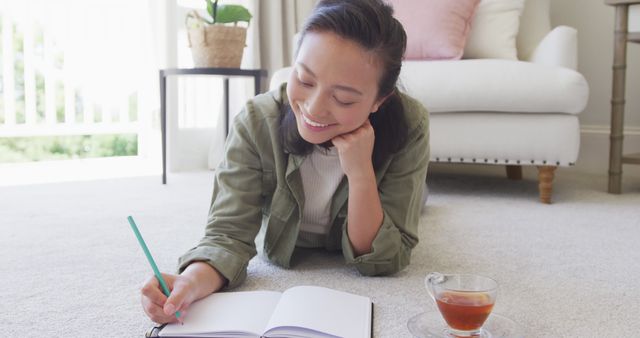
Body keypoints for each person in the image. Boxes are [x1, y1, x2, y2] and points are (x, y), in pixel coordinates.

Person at [141, 0, 429, 324]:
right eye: (305, 80)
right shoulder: (255, 121)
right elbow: (227, 235)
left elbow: (384, 258)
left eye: (344, 98)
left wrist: (360, 172)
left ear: (380, 100)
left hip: (377, 186)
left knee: (420, 204)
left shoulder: (410, 124)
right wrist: (188, 283)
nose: (314, 108)